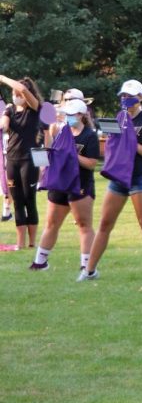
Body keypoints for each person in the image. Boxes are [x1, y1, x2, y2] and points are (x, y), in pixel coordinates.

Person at [78, 80, 142, 284]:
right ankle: (89, 271)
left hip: (140, 178)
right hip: (119, 178)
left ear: (140, 98)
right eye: (123, 95)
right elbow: (112, 149)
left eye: (130, 96)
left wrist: (131, 142)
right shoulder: (119, 118)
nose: (125, 99)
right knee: (105, 223)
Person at [31, 100, 99, 271]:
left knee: (84, 224)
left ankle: (86, 265)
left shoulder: (89, 136)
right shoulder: (61, 131)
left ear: (82, 115)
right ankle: (40, 262)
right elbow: (49, 154)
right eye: (66, 114)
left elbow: (91, 163)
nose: (68, 117)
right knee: (51, 223)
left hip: (80, 184)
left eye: (72, 114)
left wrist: (71, 154)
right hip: (59, 183)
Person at [0, 75, 43, 249]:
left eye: (17, 93)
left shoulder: (34, 108)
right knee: (17, 201)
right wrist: (4, 115)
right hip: (12, 159)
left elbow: (24, 89)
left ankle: (32, 243)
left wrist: (2, 77)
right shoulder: (10, 109)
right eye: (13, 93)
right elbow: (4, 125)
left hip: (29, 160)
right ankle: (20, 243)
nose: (16, 95)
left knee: (28, 200)